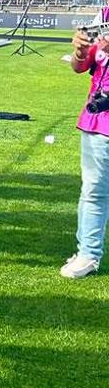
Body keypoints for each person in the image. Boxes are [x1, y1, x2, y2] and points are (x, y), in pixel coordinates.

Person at [66, 26, 109, 278]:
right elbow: (79, 66)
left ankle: (89, 253)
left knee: (94, 191)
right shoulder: (104, 21)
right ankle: (87, 253)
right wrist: (80, 51)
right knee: (91, 190)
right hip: (96, 119)